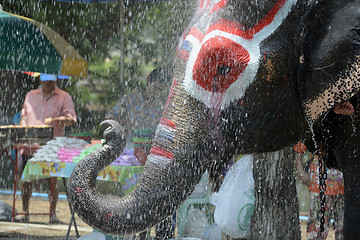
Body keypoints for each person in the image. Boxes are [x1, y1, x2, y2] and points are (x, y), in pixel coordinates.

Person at [106, 66, 175, 239]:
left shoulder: (160, 106)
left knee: (155, 194)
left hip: (151, 154)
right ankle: (133, 228)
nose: (157, 92)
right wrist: (123, 123)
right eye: (156, 87)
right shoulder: (130, 100)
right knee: (135, 195)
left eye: (161, 89)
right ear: (149, 83)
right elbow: (110, 118)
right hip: (130, 155)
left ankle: (155, 231)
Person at [17, 73, 77, 223]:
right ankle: (24, 211)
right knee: (26, 179)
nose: (47, 84)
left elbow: (71, 120)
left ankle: (52, 214)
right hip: (30, 145)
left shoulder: (64, 97)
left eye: (50, 81)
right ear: (40, 80)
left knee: (51, 181)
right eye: (45, 81)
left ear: (55, 81)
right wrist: (23, 128)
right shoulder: (31, 95)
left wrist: (59, 120)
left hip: (51, 147)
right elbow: (23, 116)